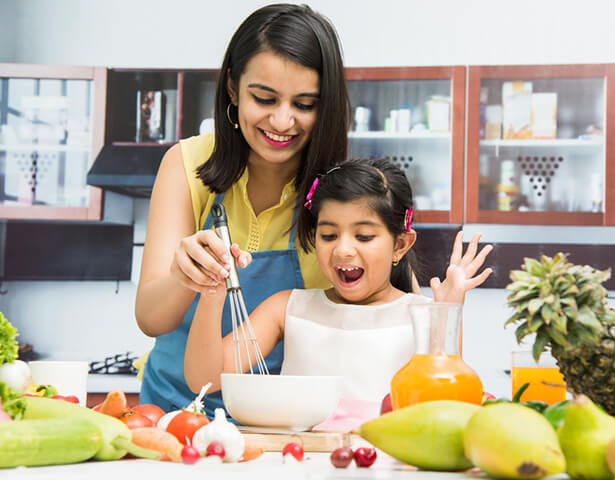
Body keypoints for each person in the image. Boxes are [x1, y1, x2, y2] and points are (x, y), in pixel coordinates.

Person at [135, 3, 351, 413]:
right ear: (233, 88)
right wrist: (185, 276)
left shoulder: (341, 192)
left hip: (283, 422)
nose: (283, 120)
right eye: (265, 98)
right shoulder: (186, 165)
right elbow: (151, 319)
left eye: (304, 104)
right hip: (174, 416)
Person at [184, 157, 493, 404]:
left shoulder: (423, 316)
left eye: (364, 236)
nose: (343, 249)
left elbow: (446, 401)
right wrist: (212, 290)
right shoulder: (286, 308)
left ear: (400, 244)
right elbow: (205, 379)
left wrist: (449, 312)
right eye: (329, 235)